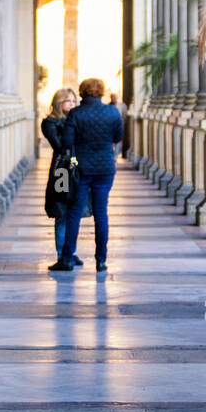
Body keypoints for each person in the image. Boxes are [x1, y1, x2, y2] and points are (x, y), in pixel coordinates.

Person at [50, 76, 122, 273]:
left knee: (74, 212)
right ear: (101, 93)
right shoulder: (112, 112)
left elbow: (66, 141)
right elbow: (118, 136)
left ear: (81, 92)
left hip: (80, 169)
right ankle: (100, 260)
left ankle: (66, 258)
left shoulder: (76, 114)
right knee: (101, 213)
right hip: (105, 169)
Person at [40, 88, 83, 265]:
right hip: (61, 171)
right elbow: (59, 144)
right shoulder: (50, 122)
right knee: (62, 212)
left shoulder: (74, 120)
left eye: (74, 101)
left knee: (74, 212)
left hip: (76, 167)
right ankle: (61, 254)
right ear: (59, 103)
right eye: (68, 101)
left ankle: (70, 252)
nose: (72, 105)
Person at [109, 91, 128, 158]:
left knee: (119, 140)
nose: (113, 98)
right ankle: (112, 154)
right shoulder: (108, 106)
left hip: (119, 125)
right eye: (112, 97)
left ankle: (115, 155)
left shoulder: (122, 105)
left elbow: (125, 116)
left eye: (115, 97)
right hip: (110, 126)